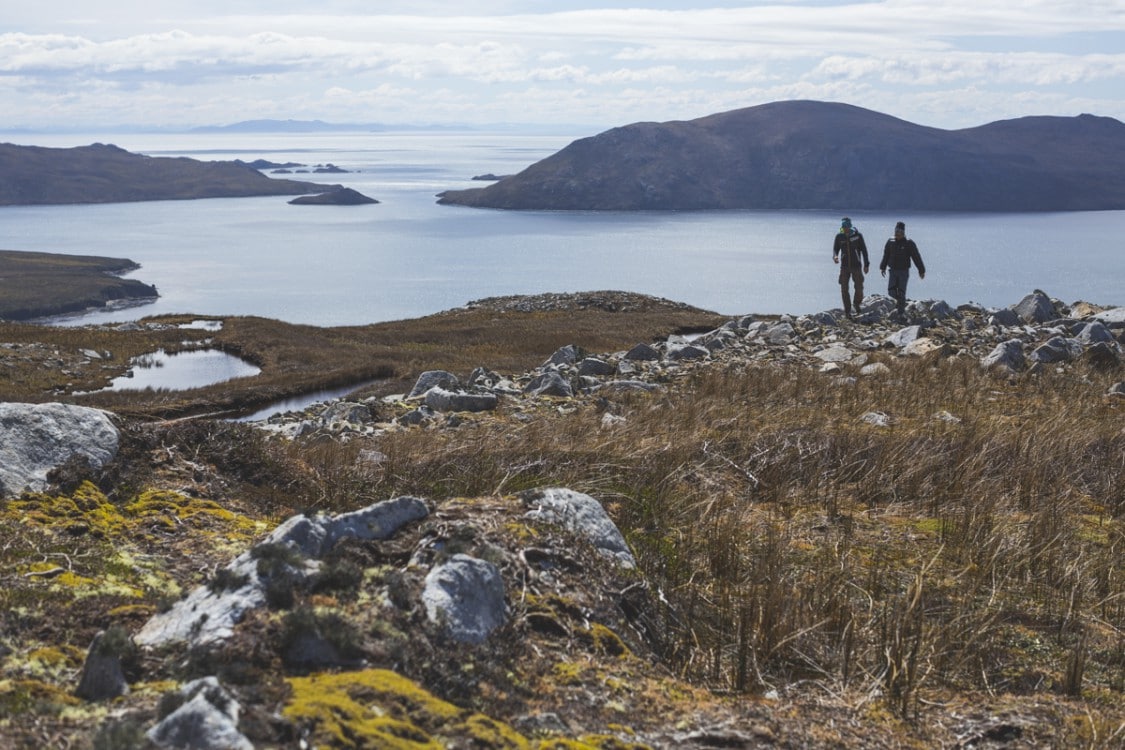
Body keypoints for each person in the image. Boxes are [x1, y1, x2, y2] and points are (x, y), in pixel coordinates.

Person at [879, 221, 925, 319]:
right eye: (896, 231)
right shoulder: (890, 241)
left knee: (901, 292)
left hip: (903, 271)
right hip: (893, 270)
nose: (897, 233)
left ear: (903, 232)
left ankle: (901, 313)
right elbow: (886, 255)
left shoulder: (909, 243)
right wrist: (882, 267)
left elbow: (916, 257)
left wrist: (921, 270)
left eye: (899, 231)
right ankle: (902, 302)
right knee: (891, 292)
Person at [832, 217, 869, 319]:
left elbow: (864, 251)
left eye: (847, 226)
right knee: (844, 289)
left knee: (859, 288)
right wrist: (835, 256)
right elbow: (835, 249)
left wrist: (866, 264)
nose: (845, 228)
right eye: (843, 227)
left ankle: (857, 303)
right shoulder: (839, 237)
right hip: (844, 267)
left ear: (850, 226)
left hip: (856, 266)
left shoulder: (857, 236)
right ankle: (847, 311)